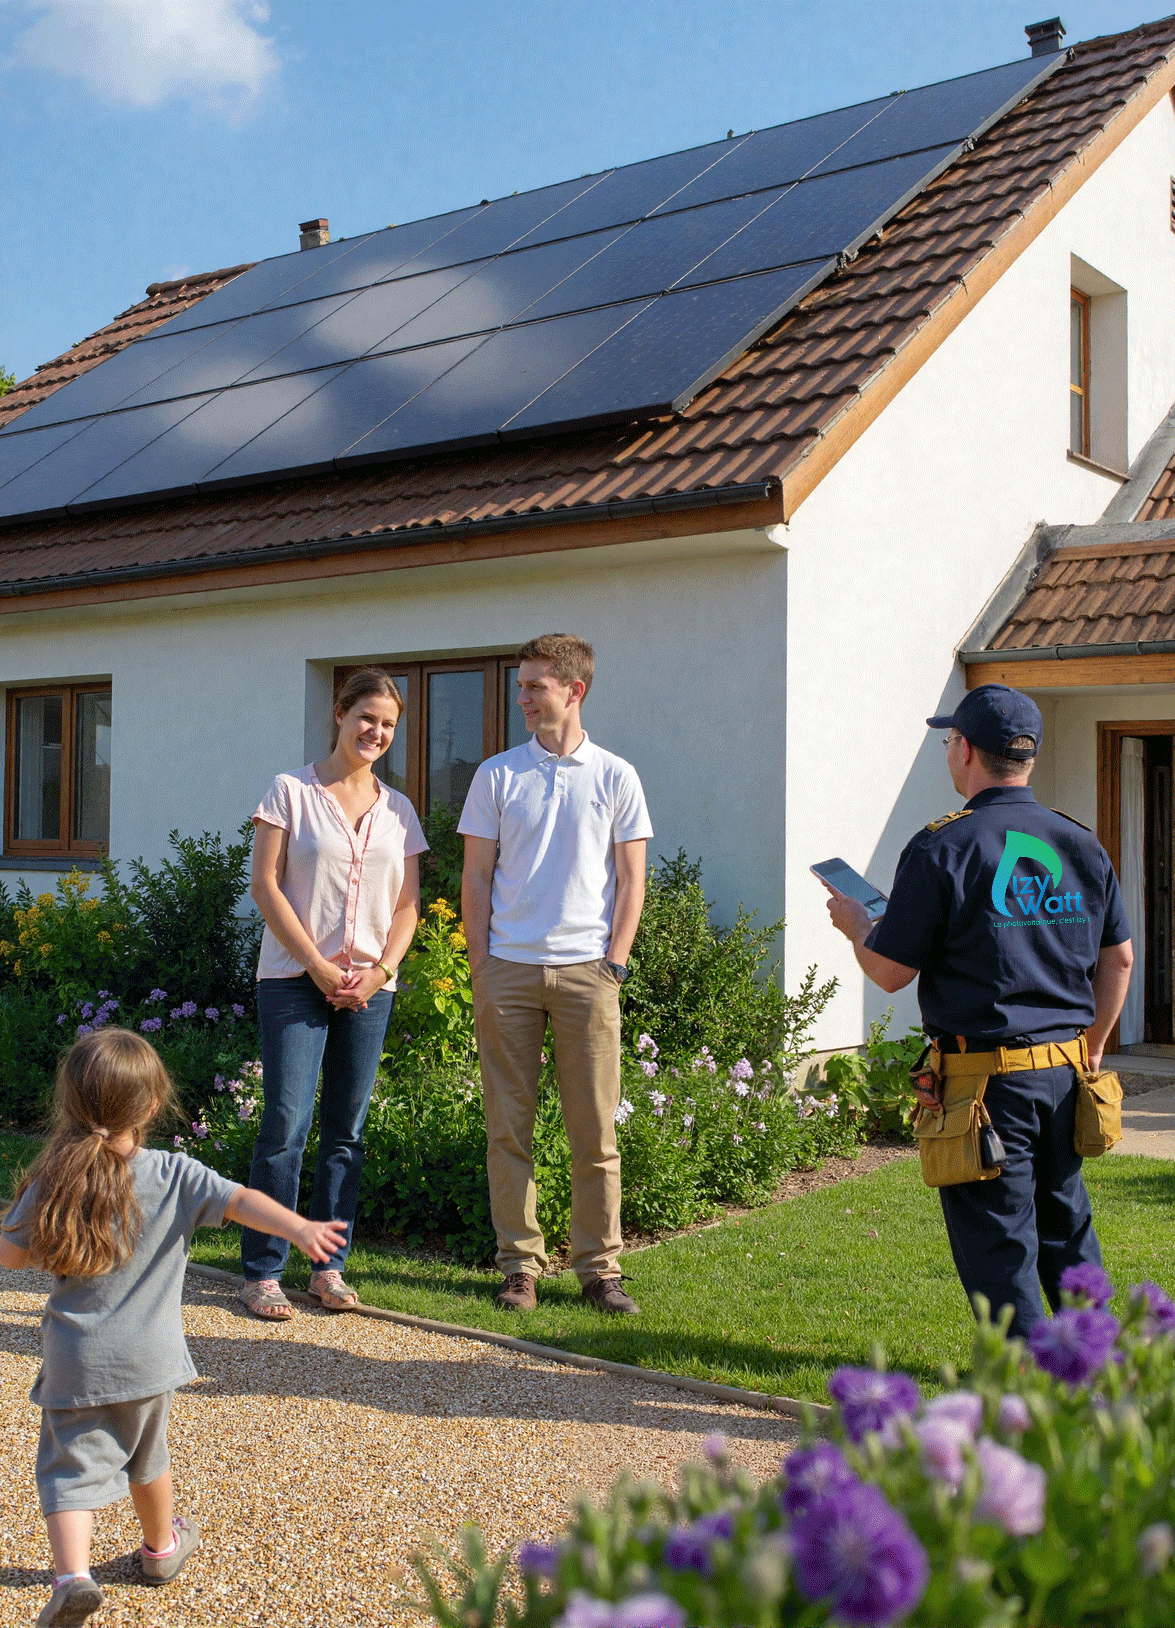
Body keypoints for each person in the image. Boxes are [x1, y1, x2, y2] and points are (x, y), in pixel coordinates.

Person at [0, 1028, 347, 1627]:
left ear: (71, 1104)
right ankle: (161, 1550)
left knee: (68, 1469)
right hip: (154, 1359)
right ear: (153, 1105)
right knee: (148, 1457)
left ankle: (73, 1577)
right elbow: (240, 1200)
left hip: (78, 1360)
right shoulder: (175, 1174)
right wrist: (298, 1228)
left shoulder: (55, 1180)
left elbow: (10, 1256)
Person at [822, 683, 1134, 1338]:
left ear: (963, 751)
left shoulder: (942, 847)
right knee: (1067, 1231)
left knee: (1000, 1246)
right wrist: (1094, 1044)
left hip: (982, 1086)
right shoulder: (1079, 842)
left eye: (947, 742)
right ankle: (1100, 1375)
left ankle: (1023, 1399)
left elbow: (887, 971)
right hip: (1065, 1077)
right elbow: (1120, 959)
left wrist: (855, 925)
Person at [459, 634, 653, 1314]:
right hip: (507, 972)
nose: (522, 698)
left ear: (574, 690)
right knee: (507, 1128)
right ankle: (519, 1265)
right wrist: (481, 963)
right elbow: (476, 875)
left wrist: (615, 962)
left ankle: (601, 1269)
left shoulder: (615, 776)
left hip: (586, 975)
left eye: (534, 686)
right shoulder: (497, 775)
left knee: (594, 1131)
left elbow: (631, 879)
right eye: (521, 686)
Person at [241, 667, 426, 1319]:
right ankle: (263, 1271)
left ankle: (328, 1268)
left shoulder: (398, 810)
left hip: (370, 990)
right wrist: (319, 966)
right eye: (366, 718)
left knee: (345, 1133)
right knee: (286, 1127)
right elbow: (266, 886)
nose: (376, 732)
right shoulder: (289, 792)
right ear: (339, 716)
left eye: (388, 725)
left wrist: (377, 975)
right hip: (294, 982)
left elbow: (408, 907)